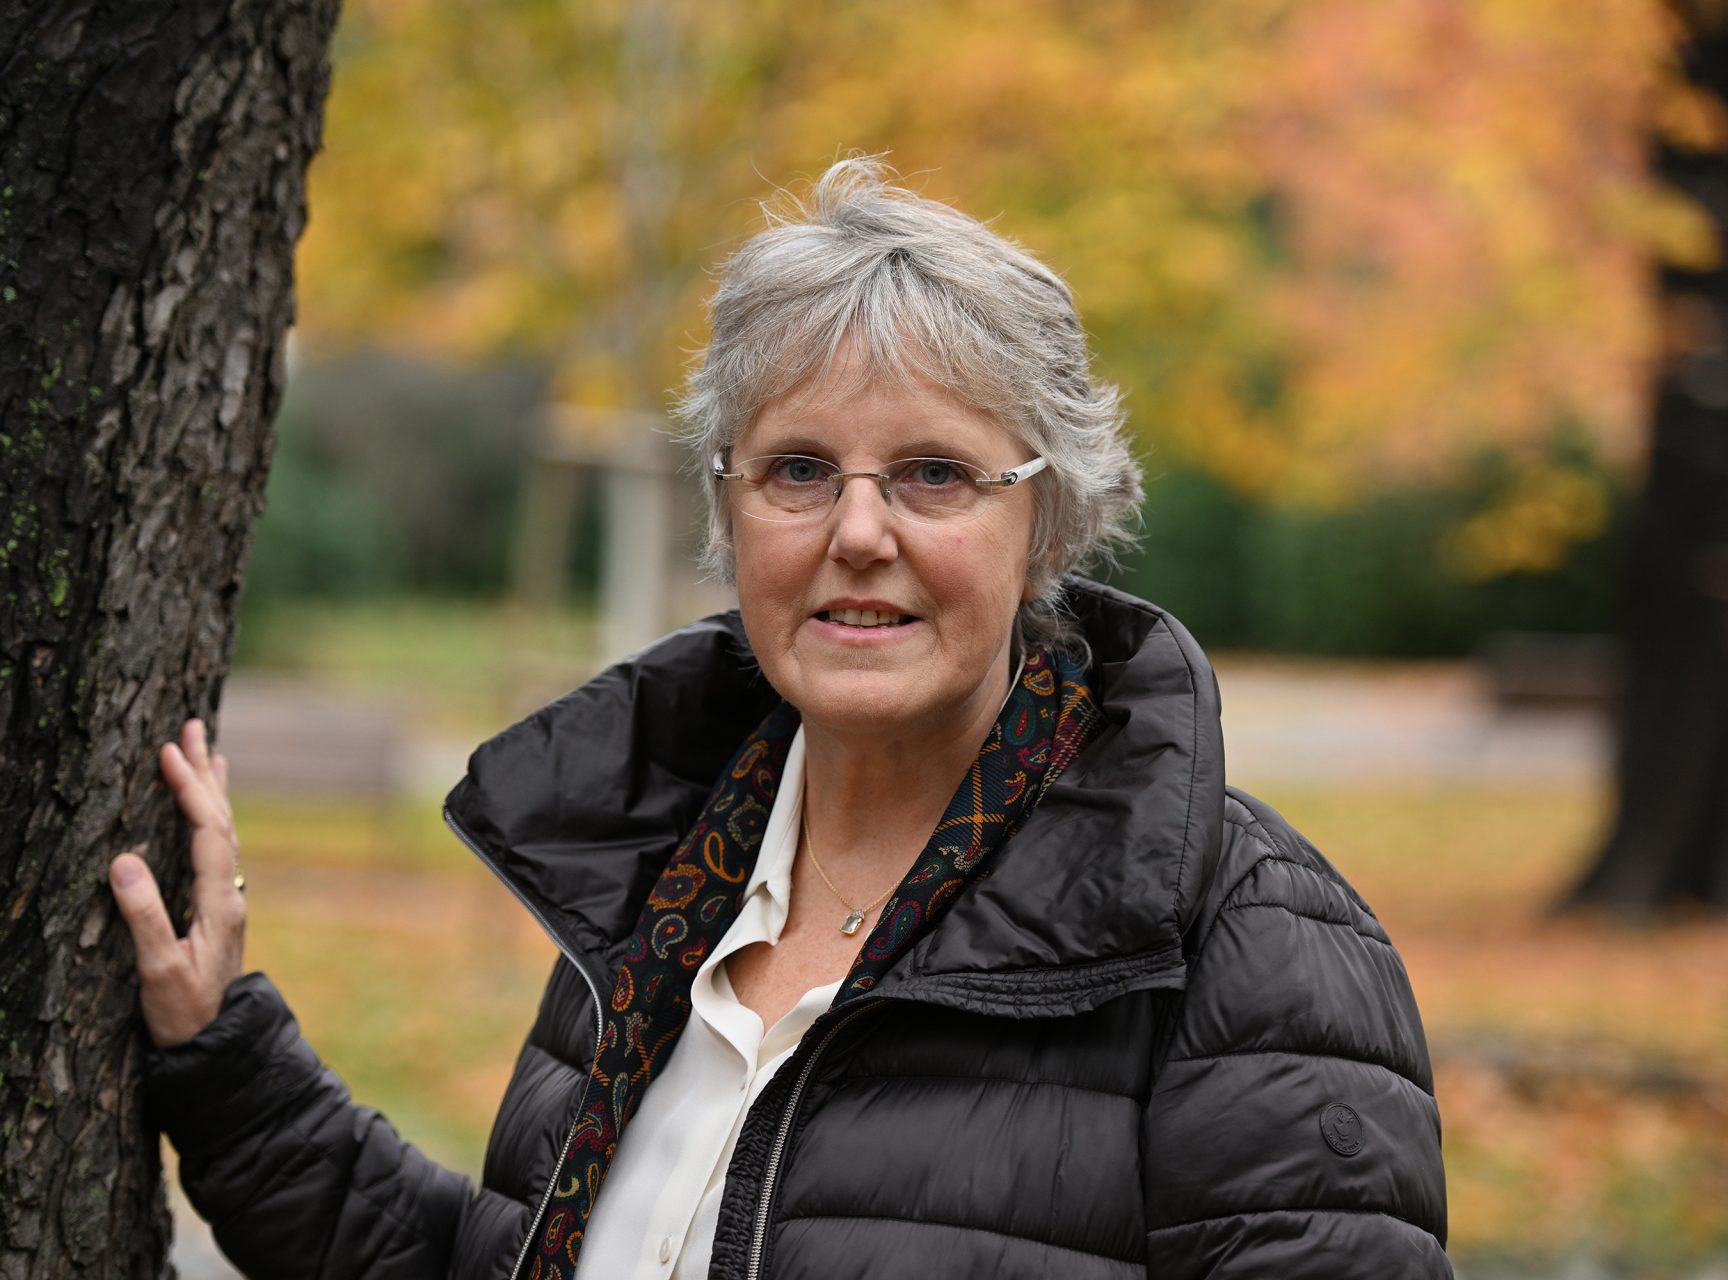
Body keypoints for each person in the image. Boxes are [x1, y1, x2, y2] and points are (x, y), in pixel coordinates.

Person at [110, 157, 1451, 1279]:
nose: (857, 532)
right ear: (731, 508)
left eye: (934, 473)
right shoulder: (663, 883)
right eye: (799, 469)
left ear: (1048, 521)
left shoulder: (1248, 943)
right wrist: (227, 1050)